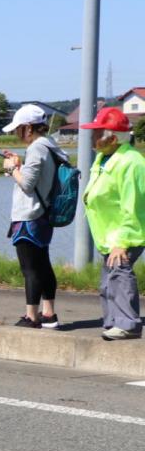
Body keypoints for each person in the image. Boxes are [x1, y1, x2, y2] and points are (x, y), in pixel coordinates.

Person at [79, 107, 145, 341]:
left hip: (124, 234)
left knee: (120, 275)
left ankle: (128, 324)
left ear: (113, 138)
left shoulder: (132, 163)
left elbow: (134, 206)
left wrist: (122, 242)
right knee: (109, 280)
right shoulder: (104, 158)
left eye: (97, 134)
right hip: (107, 234)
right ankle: (113, 321)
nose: (92, 138)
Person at [0, 103, 66, 329]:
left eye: (18, 128)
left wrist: (11, 168)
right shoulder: (50, 146)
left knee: (30, 269)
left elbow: (27, 184)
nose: (16, 133)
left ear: (28, 128)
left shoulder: (37, 148)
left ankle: (32, 316)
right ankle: (49, 314)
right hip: (44, 214)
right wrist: (20, 165)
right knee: (43, 265)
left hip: (30, 215)